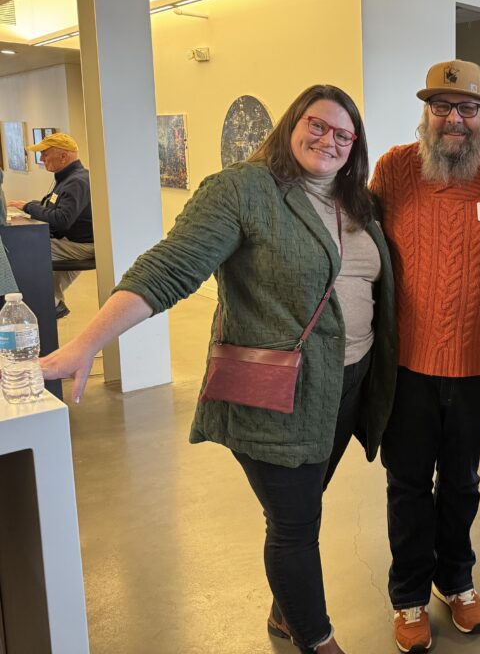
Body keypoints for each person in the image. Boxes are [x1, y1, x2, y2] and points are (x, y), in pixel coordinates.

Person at [40, 85, 397, 654]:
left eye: (344, 134)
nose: (329, 140)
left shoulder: (358, 201)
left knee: (303, 504)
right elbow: (170, 268)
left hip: (347, 384)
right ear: (290, 124)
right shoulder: (243, 190)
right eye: (318, 125)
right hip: (277, 392)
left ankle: (286, 613)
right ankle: (316, 637)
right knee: (295, 522)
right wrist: (86, 343)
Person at [369, 59, 480, 653]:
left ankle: (456, 579)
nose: (454, 119)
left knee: (463, 481)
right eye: (441, 107)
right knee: (408, 482)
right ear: (426, 114)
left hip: (478, 366)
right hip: (407, 366)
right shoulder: (393, 170)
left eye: (467, 108)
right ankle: (409, 595)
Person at [7, 132, 93, 318]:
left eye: (45, 153)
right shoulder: (68, 179)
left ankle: (51, 304)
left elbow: (62, 220)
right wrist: (32, 205)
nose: (41, 158)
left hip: (80, 246)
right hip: (70, 241)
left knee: (18, 251)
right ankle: (50, 304)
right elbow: (55, 208)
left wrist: (28, 207)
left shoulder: (77, 181)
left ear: (64, 156)